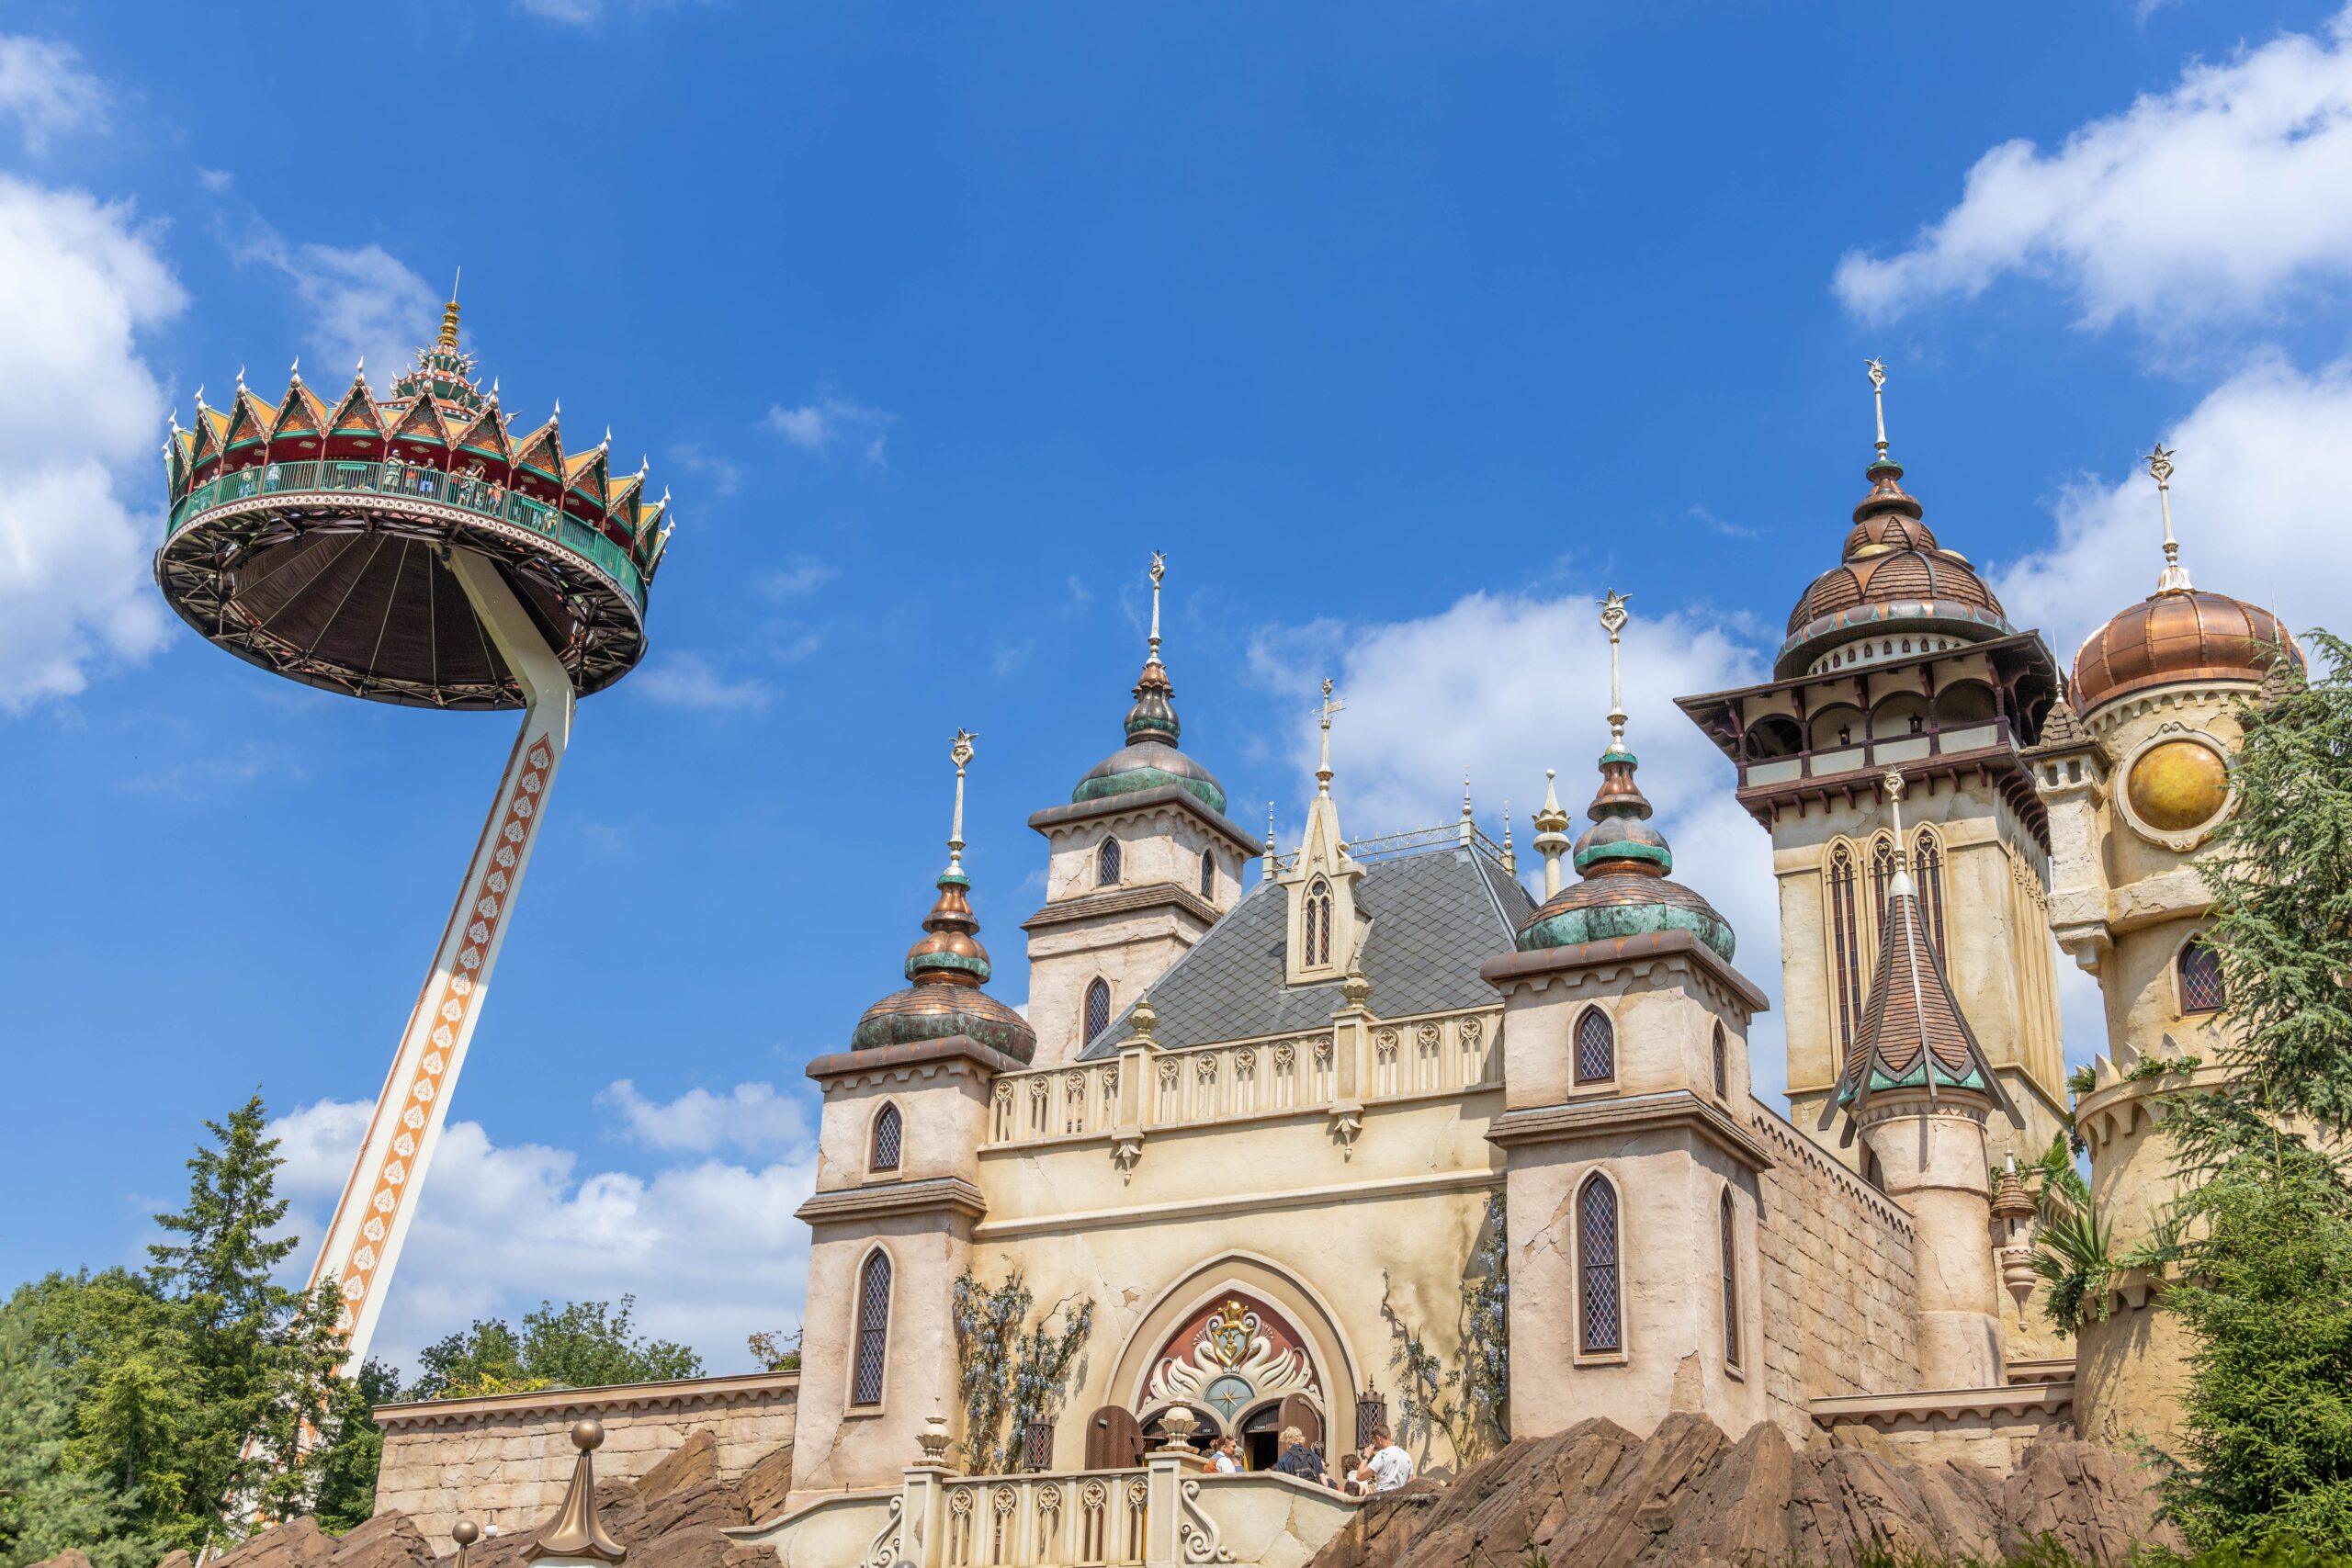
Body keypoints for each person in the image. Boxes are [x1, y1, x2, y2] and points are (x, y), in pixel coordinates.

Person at [1363, 1427, 1413, 1493]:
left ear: (1378, 1438)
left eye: (1374, 1441)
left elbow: (1360, 1476)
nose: (1375, 1444)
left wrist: (1366, 1455)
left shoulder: (1382, 1455)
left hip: (1384, 1499)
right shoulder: (1407, 1456)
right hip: (1401, 1499)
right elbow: (1410, 1482)